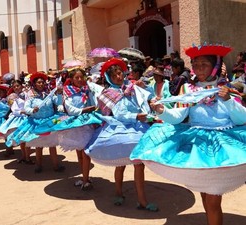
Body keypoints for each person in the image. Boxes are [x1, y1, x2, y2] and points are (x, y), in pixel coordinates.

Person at [130, 44, 246, 225]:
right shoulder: (188, 90)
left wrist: (228, 100)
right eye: (196, 64)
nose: (199, 69)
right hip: (197, 145)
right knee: (205, 193)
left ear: (215, 66)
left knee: (213, 197)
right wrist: (162, 111)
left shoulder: (227, 89)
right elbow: (178, 117)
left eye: (204, 64)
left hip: (224, 146)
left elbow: (241, 119)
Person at [85, 58, 158, 211]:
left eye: (120, 73)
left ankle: (142, 200)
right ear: (108, 79)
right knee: (120, 164)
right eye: (114, 75)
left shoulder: (130, 87)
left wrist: (142, 87)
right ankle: (118, 192)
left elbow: (148, 96)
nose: (119, 77)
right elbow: (118, 114)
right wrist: (135, 116)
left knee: (139, 164)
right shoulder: (107, 93)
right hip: (119, 130)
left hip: (137, 128)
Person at [6, 72, 65, 173]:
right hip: (36, 122)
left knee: (52, 144)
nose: (41, 84)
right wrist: (32, 110)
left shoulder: (49, 94)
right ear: (34, 84)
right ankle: (38, 165)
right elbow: (26, 107)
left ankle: (56, 165)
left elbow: (58, 102)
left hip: (49, 122)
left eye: (42, 82)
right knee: (38, 145)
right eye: (38, 83)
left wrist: (59, 94)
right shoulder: (31, 96)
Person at [61, 68, 97, 190]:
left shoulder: (88, 90)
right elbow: (69, 108)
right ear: (71, 79)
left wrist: (91, 106)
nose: (80, 80)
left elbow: (94, 103)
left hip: (87, 123)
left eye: (82, 77)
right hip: (76, 124)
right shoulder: (67, 91)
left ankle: (86, 179)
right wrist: (84, 110)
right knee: (79, 153)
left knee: (85, 152)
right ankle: (84, 177)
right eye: (77, 78)